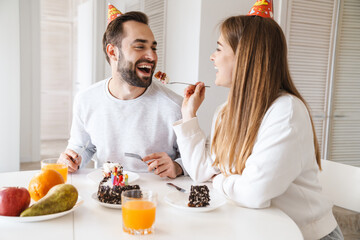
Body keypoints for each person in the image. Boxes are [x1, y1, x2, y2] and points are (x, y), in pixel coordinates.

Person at [173, 14, 343, 240]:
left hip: (303, 235)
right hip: (252, 227)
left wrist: (219, 180)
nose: (212, 57)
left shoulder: (286, 112)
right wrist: (188, 115)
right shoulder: (225, 112)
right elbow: (201, 172)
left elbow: (254, 193)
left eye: (219, 49)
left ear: (244, 57)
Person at [58, 10, 184, 179]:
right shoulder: (85, 100)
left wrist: (178, 166)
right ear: (112, 52)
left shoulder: (175, 106)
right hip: (105, 194)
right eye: (140, 46)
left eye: (153, 48)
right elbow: (83, 146)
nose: (152, 56)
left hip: (154, 200)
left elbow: (197, 159)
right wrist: (71, 159)